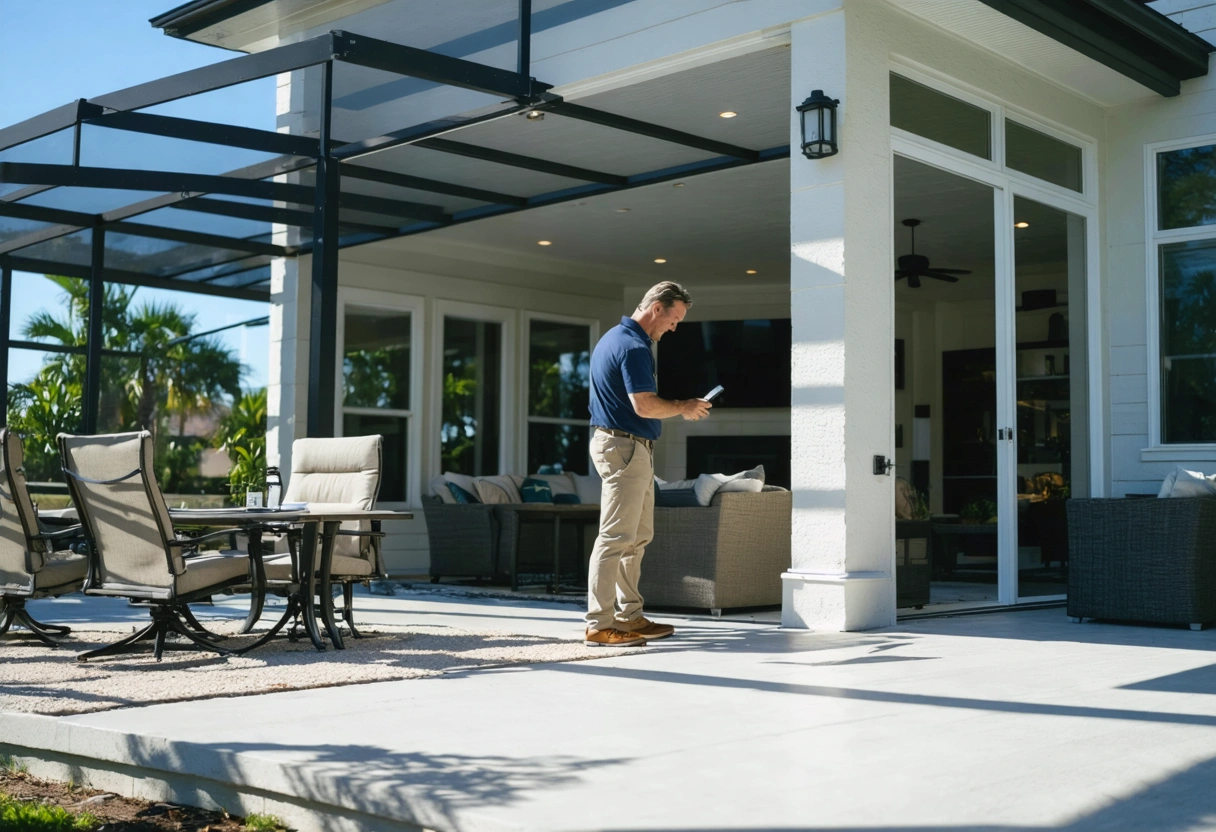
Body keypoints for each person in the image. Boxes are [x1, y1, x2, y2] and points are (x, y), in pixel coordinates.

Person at [584, 281, 711, 647]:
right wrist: (684, 406)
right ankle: (598, 623)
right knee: (615, 537)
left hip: (629, 446)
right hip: (624, 446)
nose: (673, 328)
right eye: (673, 319)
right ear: (657, 308)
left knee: (637, 538)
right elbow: (644, 404)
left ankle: (628, 616)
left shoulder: (615, 338)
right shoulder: (634, 346)